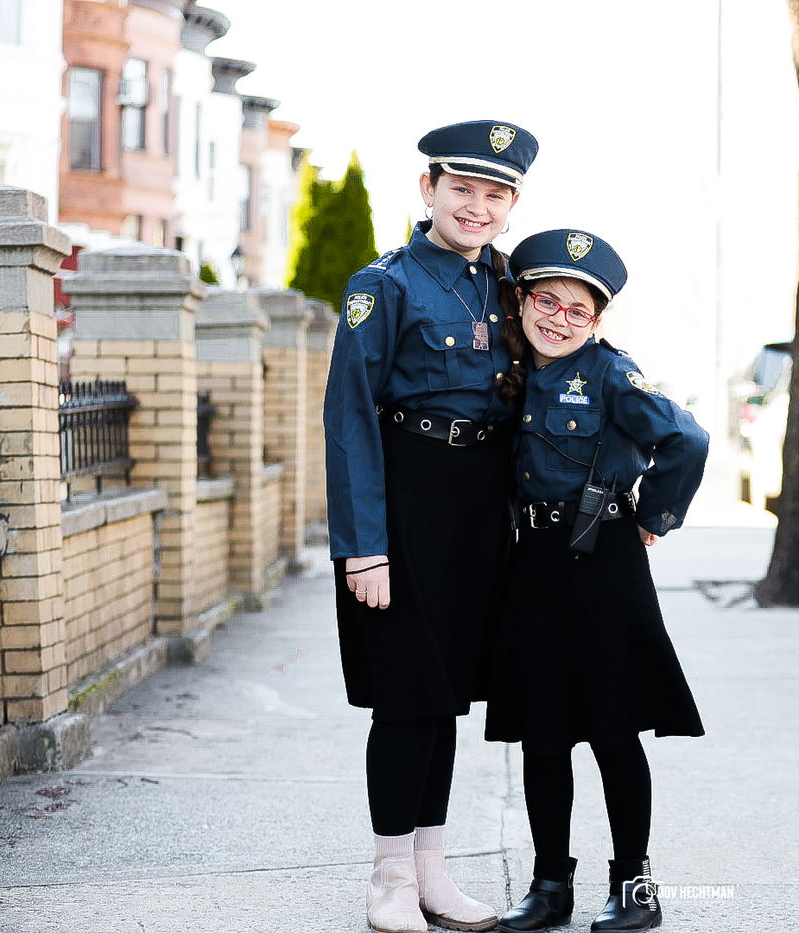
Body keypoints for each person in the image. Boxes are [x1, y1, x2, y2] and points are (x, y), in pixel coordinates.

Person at [323, 119, 538, 933]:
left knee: (445, 698)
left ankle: (433, 872)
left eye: (495, 194)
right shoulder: (383, 285)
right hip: (405, 505)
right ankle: (387, 879)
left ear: (511, 205)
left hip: (478, 512)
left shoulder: (508, 285)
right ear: (428, 190)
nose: (477, 207)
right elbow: (349, 418)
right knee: (406, 698)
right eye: (463, 190)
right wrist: (363, 546)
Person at [483, 230, 709, 933]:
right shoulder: (508, 367)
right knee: (543, 733)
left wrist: (655, 513)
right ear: (522, 301)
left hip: (603, 559)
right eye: (545, 300)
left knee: (614, 729)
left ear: (597, 321)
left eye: (576, 310)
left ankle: (634, 888)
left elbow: (688, 439)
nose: (557, 317)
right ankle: (550, 885)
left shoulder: (611, 373)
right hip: (534, 564)